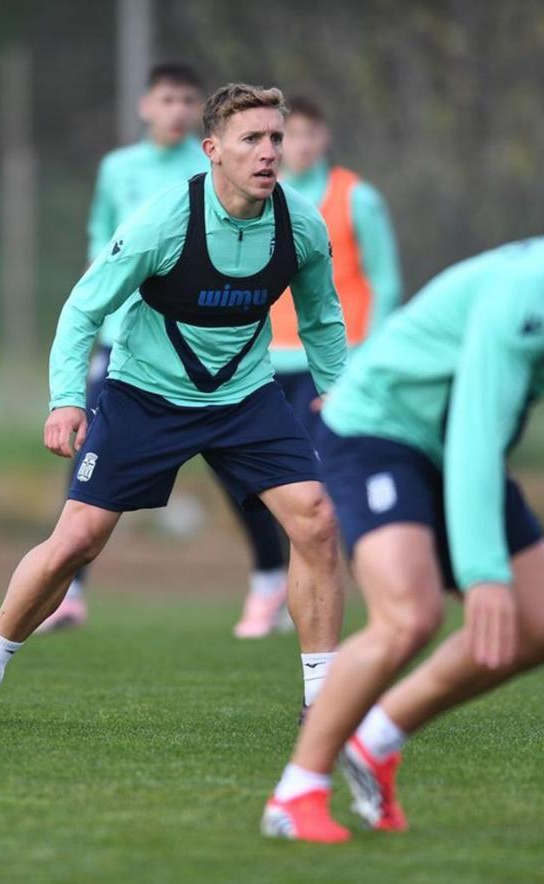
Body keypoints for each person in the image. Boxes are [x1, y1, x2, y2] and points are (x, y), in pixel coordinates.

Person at [260, 147, 544, 843]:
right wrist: (481, 571)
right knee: (409, 617)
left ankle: (374, 741)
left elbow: (483, 418)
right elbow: (481, 419)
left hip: (450, 442)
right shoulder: (541, 294)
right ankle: (295, 794)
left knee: (542, 626)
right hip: (379, 430)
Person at [0, 83, 349, 726]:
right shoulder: (164, 220)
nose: (268, 152)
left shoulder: (302, 225)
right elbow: (83, 309)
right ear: (212, 150)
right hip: (145, 395)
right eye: (251, 139)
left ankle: (322, 700)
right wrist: (67, 400)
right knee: (77, 541)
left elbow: (321, 320)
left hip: (245, 397)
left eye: (275, 138)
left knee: (316, 520)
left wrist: (342, 400)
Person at [38, 62, 207, 632]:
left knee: (242, 470)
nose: (178, 110)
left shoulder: (208, 166)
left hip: (190, 344)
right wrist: (101, 305)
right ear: (146, 106)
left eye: (188, 100)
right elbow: (100, 237)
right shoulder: (118, 168)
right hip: (120, 340)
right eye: (168, 98)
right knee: (89, 457)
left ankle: (268, 579)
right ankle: (70, 591)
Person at [232, 93, 403, 638]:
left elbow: (386, 282)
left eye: (305, 134)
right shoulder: (256, 196)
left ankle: (369, 592)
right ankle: (274, 583)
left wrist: (365, 363)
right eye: (287, 136)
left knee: (327, 486)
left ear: (323, 137)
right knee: (253, 482)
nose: (296, 146)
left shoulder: (357, 198)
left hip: (329, 365)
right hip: (262, 365)